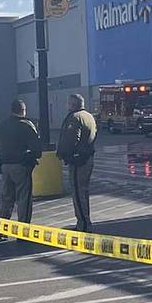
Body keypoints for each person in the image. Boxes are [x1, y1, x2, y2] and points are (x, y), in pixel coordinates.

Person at [0, 99, 42, 240]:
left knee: (7, 198)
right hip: (21, 166)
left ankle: (1, 231)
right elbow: (37, 149)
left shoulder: (2, 125)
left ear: (11, 110)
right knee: (23, 199)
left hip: (5, 166)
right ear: (23, 111)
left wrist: (2, 153)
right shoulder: (26, 125)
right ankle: (23, 232)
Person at [57, 93, 97, 232]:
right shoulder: (89, 116)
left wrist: (64, 154)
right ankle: (85, 221)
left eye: (68, 103)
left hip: (78, 160)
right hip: (87, 157)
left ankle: (83, 223)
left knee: (78, 192)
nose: (67, 106)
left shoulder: (74, 118)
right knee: (83, 191)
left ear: (73, 104)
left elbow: (71, 139)